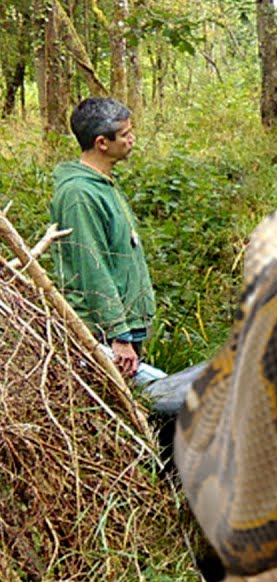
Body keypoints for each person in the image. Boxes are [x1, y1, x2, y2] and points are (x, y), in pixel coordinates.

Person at [50, 97, 155, 379]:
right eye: (125, 134)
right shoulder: (79, 195)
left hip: (123, 323)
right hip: (102, 332)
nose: (132, 139)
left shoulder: (103, 185)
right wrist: (118, 335)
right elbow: (91, 268)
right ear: (102, 143)